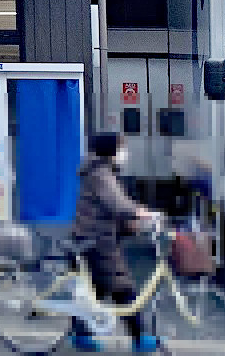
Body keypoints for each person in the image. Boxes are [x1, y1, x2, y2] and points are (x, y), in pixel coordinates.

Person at [69, 131, 163, 353]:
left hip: (93, 239)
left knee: (93, 291)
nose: (124, 152)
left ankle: (82, 336)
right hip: (96, 242)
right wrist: (143, 213)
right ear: (110, 150)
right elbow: (117, 204)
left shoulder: (101, 171)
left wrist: (134, 220)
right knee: (122, 287)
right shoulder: (100, 173)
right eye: (121, 148)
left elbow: (110, 206)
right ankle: (140, 338)